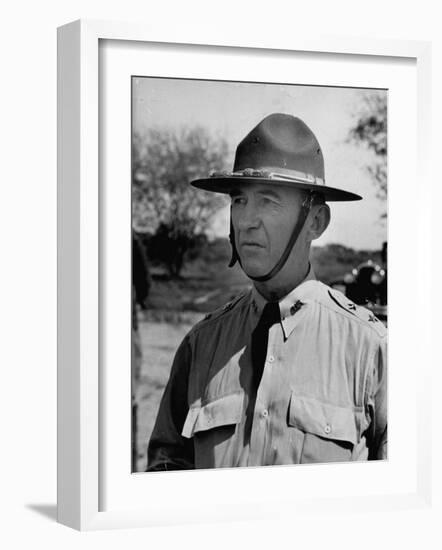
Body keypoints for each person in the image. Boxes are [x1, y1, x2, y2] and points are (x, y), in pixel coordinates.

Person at [147, 113, 387, 470]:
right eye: (239, 201)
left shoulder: (370, 349)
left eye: (269, 201)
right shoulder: (200, 346)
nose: (246, 220)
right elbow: (164, 470)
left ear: (316, 222)